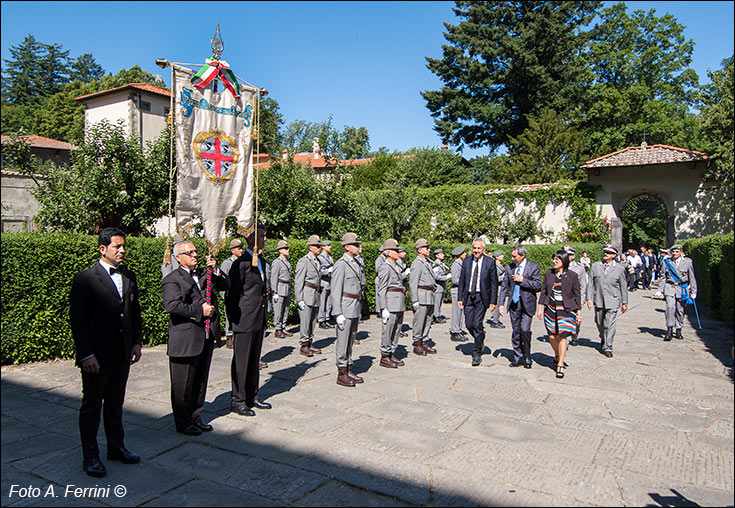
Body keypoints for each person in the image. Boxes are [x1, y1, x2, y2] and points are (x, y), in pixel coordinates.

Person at [70, 227, 143, 477]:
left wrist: (136, 342)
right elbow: (78, 322)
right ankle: (90, 457)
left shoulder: (129, 277)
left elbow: (134, 313)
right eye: (117, 247)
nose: (122, 251)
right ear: (102, 249)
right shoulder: (85, 279)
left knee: (115, 404)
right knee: (92, 407)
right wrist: (86, 355)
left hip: (121, 353)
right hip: (97, 357)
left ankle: (116, 447)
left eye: (123, 246)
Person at [162, 240, 229, 436]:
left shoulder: (204, 274)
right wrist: (199, 311)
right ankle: (182, 422)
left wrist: (216, 269)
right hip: (185, 338)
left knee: (200, 381)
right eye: (188, 252)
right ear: (178, 258)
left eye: (195, 251)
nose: (194, 255)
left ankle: (195, 416)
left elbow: (226, 285)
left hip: (205, 336)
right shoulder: (172, 279)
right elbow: (172, 306)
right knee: (183, 384)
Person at [226, 225, 273, 416]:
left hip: (258, 319)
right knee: (241, 361)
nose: (265, 239)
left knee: (254, 360)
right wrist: (234, 321)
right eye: (262, 235)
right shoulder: (241, 263)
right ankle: (238, 400)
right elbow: (232, 295)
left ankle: (252, 396)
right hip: (244, 320)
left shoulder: (259, 260)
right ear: (251, 238)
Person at [538, 250, 581, 379]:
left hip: (566, 310)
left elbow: (577, 294)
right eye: (553, 259)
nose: (554, 261)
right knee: (552, 336)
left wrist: (578, 313)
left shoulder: (572, 275)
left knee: (563, 336)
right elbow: (544, 291)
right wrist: (540, 308)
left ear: (564, 261)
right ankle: (557, 353)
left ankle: (560, 363)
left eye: (557, 259)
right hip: (551, 309)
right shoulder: (549, 274)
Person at [498, 245, 542, 368]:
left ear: (522, 256)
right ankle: (518, 357)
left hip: (527, 304)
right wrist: (501, 304)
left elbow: (538, 285)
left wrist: (523, 280)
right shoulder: (509, 267)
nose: (512, 258)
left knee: (525, 330)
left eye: (514, 256)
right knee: (516, 331)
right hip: (514, 304)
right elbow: (504, 287)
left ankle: (527, 356)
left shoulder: (533, 267)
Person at [457, 238, 498, 366]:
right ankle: (480, 337)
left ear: (483, 249)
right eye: (474, 248)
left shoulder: (490, 262)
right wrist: (460, 298)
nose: (476, 250)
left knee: (477, 323)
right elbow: (462, 281)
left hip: (482, 297)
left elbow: (494, 283)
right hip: (468, 296)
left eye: (478, 248)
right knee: (469, 324)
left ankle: (476, 352)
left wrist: (493, 301)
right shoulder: (467, 262)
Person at [331, 232, 365, 386]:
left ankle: (349, 368)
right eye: (356, 245)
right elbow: (336, 289)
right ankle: (341, 373)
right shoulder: (341, 264)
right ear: (346, 247)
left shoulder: (356, 263)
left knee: (351, 339)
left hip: (355, 306)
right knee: (343, 340)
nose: (359, 247)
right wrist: (338, 313)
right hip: (345, 306)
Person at [588, 244, 628, 358]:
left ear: (614, 255)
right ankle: (603, 338)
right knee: (599, 322)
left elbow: (623, 287)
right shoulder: (596, 266)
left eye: (609, 253)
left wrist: (624, 302)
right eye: (605, 252)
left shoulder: (620, 269)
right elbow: (590, 283)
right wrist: (588, 299)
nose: (606, 254)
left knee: (609, 324)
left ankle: (608, 347)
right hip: (599, 299)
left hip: (613, 300)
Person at [655, 244, 697, 340]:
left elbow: (692, 277)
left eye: (677, 252)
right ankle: (669, 330)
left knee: (680, 309)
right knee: (670, 307)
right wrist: (660, 290)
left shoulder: (687, 262)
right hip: (670, 287)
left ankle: (678, 329)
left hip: (682, 289)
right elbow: (662, 276)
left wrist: (694, 291)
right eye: (673, 252)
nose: (675, 253)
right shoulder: (666, 262)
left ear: (681, 252)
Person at [377, 238, 407, 368]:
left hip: (399, 302)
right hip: (391, 303)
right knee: (388, 330)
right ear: (388, 252)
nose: (398, 252)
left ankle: (392, 352)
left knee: (396, 329)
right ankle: (385, 355)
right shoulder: (385, 267)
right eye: (395, 250)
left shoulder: (395, 265)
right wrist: (383, 307)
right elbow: (382, 288)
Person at [295, 235, 324, 357]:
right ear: (310, 247)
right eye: (317, 246)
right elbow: (299, 281)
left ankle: (310, 342)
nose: (319, 248)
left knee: (312, 321)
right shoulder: (304, 261)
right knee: (306, 321)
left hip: (316, 294)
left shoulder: (318, 261)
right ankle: (304, 345)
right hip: (307, 294)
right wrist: (299, 299)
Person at [409, 238, 438, 355]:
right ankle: (417, 343)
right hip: (421, 295)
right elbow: (413, 283)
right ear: (420, 250)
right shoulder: (417, 263)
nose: (429, 250)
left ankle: (424, 341)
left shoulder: (426, 262)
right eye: (426, 248)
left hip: (429, 295)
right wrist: (414, 300)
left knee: (428, 320)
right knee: (419, 321)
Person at [220, 239, 244, 348]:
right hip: (230, 292)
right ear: (232, 250)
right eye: (239, 248)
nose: (241, 250)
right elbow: (222, 280)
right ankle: (229, 336)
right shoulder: (227, 263)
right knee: (228, 316)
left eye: (241, 248)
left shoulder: (242, 261)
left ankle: (237, 335)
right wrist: (223, 295)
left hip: (240, 293)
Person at [563, 246, 588, 346]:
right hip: (563, 296)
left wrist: (582, 299)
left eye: (569, 255)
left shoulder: (579, 268)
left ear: (573, 256)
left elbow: (583, 285)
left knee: (576, 317)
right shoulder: (560, 266)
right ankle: (563, 335)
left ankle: (574, 335)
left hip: (574, 296)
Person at [270, 240, 293, 339]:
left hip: (287, 288)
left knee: (285, 309)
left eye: (287, 248)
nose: (288, 250)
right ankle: (278, 329)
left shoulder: (287, 261)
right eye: (285, 248)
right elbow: (274, 277)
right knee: (278, 309)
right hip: (280, 287)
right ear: (280, 250)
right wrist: (274, 291)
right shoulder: (277, 262)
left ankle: (283, 327)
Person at [449, 246, 468, 342]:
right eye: (464, 252)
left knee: (461, 312)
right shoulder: (456, 265)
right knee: (457, 312)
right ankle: (454, 331)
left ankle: (458, 329)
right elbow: (455, 279)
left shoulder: (462, 263)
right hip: (457, 290)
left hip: (462, 290)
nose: (465, 254)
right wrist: (465, 281)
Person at [487, 250, 507, 329]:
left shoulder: (499, 265)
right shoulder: (495, 266)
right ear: (497, 257)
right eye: (500, 255)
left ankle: (496, 319)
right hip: (497, 287)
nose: (502, 256)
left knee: (499, 303)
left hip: (500, 287)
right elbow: (494, 278)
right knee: (497, 303)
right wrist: (504, 277)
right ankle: (494, 321)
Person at [317, 240, 335, 329]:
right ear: (323, 247)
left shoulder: (330, 256)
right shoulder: (320, 258)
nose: (330, 247)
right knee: (322, 301)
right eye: (328, 245)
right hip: (324, 281)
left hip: (330, 281)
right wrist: (329, 270)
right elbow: (320, 271)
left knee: (329, 302)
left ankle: (327, 318)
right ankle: (321, 320)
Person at [432, 248, 451, 324]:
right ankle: (436, 316)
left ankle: (438, 315)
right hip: (438, 285)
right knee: (437, 302)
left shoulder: (441, 264)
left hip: (442, 285)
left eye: (443, 253)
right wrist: (446, 277)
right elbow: (436, 276)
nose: (443, 255)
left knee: (440, 301)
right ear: (437, 256)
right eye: (441, 254)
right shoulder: (436, 265)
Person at [396, 246, 410, 337]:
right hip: (397, 289)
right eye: (403, 252)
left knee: (401, 311)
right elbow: (398, 277)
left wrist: (406, 288)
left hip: (403, 288)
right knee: (397, 312)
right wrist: (406, 273)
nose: (405, 253)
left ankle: (399, 329)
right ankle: (397, 330)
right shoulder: (396, 264)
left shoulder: (402, 263)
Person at [375, 246, 389, 315]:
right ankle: (378, 310)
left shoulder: (386, 258)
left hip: (384, 279)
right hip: (379, 280)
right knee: (378, 296)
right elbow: (377, 269)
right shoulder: (379, 259)